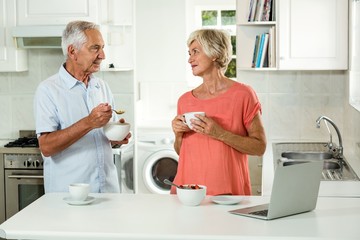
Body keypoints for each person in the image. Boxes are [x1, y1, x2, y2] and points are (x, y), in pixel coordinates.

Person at [34, 20, 131, 193]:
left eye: (102, 47)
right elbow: (46, 147)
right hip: (70, 196)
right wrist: (89, 122)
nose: (103, 55)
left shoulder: (101, 86)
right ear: (73, 51)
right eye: (95, 48)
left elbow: (102, 137)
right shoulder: (48, 90)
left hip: (107, 191)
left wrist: (116, 138)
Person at [171, 29, 266, 196]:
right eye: (189, 53)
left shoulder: (243, 95)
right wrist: (178, 134)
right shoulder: (184, 101)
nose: (189, 59)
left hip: (228, 193)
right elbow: (182, 152)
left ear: (214, 53)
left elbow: (259, 147)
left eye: (195, 52)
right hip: (188, 193)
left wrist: (220, 134)